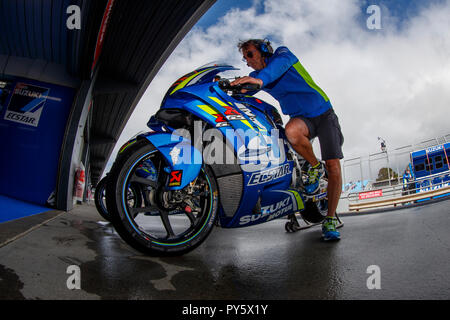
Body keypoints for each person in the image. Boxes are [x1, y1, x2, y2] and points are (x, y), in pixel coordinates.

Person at [231, 39, 344, 241]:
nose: (247, 61)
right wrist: (224, 86)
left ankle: (329, 219)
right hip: (301, 119)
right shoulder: (257, 77)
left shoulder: (283, 55)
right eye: (244, 57)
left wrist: (258, 80)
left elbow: (275, 69)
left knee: (334, 166)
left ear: (264, 50)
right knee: (291, 132)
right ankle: (315, 167)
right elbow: (242, 89)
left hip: (324, 113)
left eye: (250, 54)